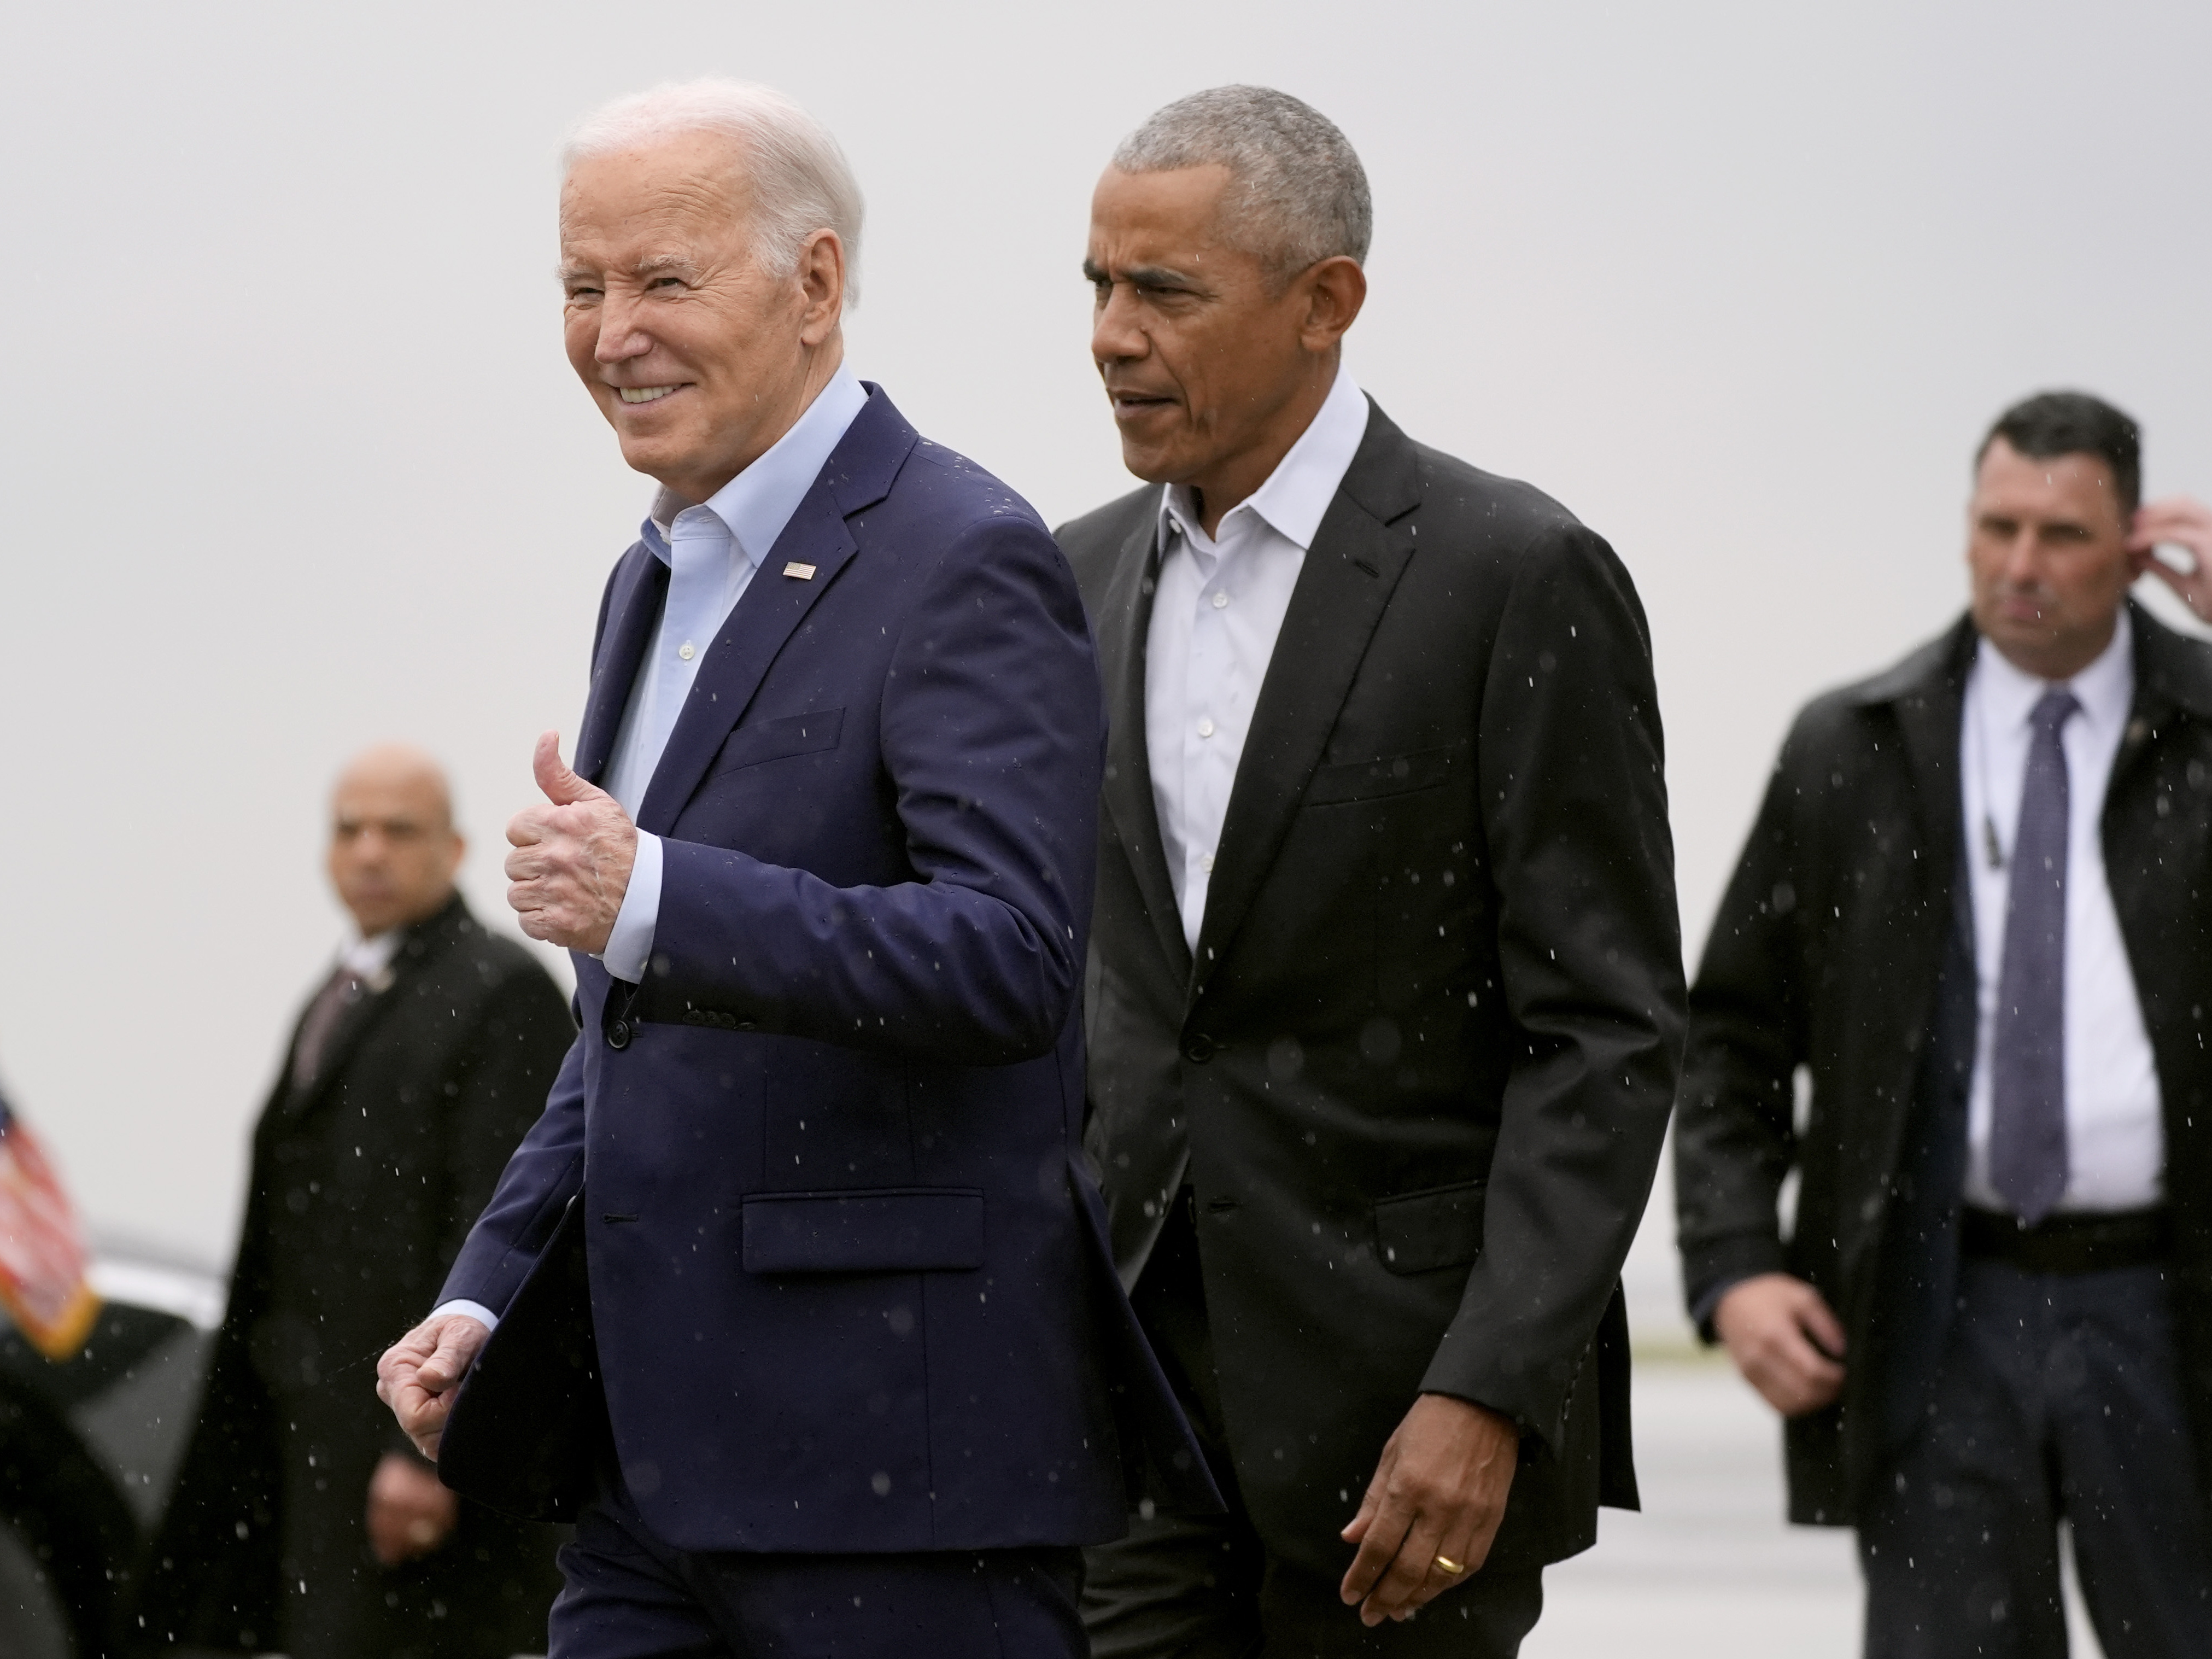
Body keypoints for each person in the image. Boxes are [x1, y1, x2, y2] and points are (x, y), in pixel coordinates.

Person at [374, 80, 1210, 1659]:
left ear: (814, 284)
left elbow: (1010, 960)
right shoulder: (646, 577)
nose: (611, 333)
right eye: (580, 285)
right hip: (646, 1481)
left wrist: (654, 896)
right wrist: (490, 1287)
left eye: (661, 279)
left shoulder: (963, 553)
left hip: (894, 1481)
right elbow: (632, 1022)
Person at [1059, 87, 1685, 1656]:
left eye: (1165, 291)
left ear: (1324, 300)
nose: (1112, 336)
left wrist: (1487, 1388)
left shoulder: (1513, 574)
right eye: (1099, 285)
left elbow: (1602, 1033)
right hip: (1123, 1413)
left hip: (1401, 1417)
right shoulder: (1065, 580)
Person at [1673, 390, 2212, 1657]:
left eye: (2062, 535)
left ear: (2134, 546)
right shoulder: (1855, 745)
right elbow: (1730, 1035)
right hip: (1937, 1304)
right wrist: (1733, 1263)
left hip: (2171, 1301)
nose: (2021, 564)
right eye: (1996, 526)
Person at [139, 744, 572, 1658]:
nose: (370, 850)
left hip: (411, 1460)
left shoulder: (499, 991)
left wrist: (428, 1448)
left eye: (398, 829)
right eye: (349, 829)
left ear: (454, 849)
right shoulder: (338, 990)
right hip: (311, 1449)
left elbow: (502, 1226)